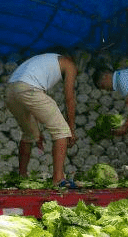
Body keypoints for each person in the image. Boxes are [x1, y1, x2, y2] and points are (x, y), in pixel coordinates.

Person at [5, 52, 78, 188]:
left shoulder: (44, 59)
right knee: (61, 130)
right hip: (29, 88)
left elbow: (34, 102)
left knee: (30, 134)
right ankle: (58, 179)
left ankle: (22, 176)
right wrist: (71, 129)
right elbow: (69, 98)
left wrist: (37, 129)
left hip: (10, 90)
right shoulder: (69, 63)